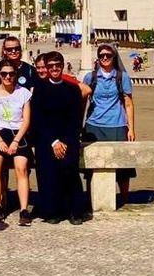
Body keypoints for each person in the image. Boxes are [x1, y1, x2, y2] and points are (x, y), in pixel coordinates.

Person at [31, 52, 84, 224]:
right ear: (47, 68)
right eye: (51, 66)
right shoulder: (39, 90)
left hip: (68, 139)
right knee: (49, 174)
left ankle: (75, 211)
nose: (54, 68)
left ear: (62, 66)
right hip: (47, 140)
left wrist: (65, 141)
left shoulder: (73, 90)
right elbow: (38, 119)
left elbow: (76, 119)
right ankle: (52, 211)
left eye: (57, 65)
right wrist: (54, 142)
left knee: (70, 171)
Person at [81, 45, 136, 204]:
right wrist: (79, 124)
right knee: (91, 165)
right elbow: (83, 103)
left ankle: (124, 199)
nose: (105, 58)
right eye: (101, 55)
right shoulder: (90, 77)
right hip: (94, 124)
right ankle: (91, 199)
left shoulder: (122, 77)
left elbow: (128, 103)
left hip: (117, 124)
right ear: (98, 58)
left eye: (108, 55)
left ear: (114, 57)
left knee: (123, 164)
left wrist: (131, 128)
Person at [0, 59, 32, 225]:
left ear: (15, 75)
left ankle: (24, 209)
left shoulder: (23, 93)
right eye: (4, 73)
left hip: (18, 133)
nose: (8, 77)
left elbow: (26, 120)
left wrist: (16, 141)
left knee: (21, 168)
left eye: (11, 74)